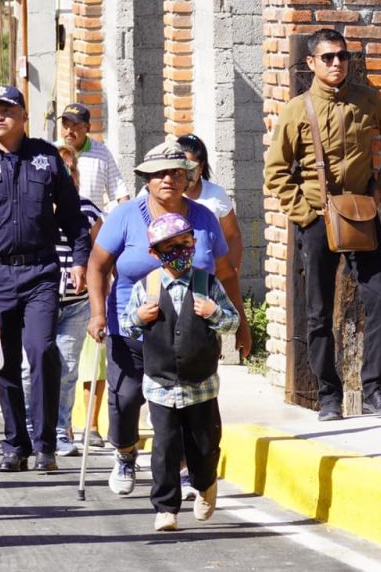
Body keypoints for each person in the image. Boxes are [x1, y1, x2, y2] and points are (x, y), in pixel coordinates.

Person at [265, 29, 381, 419]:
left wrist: (380, 191)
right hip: (316, 218)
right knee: (318, 310)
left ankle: (376, 390)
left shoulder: (366, 99)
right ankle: (329, 395)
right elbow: (277, 172)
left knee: (379, 298)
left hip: (362, 214)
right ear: (311, 63)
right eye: (327, 57)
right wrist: (306, 213)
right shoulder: (298, 108)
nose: (336, 63)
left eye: (341, 56)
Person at [87, 141, 236, 497]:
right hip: (132, 327)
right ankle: (124, 452)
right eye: (158, 174)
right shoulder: (125, 216)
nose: (168, 179)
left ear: (188, 178)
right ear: (146, 180)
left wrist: (240, 324)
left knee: (188, 404)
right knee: (126, 398)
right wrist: (96, 313)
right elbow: (97, 265)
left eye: (175, 172)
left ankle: (184, 467)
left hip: (190, 331)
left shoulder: (203, 218)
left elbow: (225, 273)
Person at [0, 85, 87, 473]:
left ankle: (46, 441)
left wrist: (80, 260)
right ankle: (16, 443)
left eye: (8, 110)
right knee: (3, 361)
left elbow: (72, 215)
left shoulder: (46, 159)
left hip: (40, 273)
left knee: (43, 349)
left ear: (23, 117)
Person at [120, 213, 238, 532]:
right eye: (168, 247)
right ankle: (166, 507)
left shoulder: (206, 284)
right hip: (161, 385)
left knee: (203, 444)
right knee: (165, 447)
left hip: (201, 385)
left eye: (183, 244)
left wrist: (214, 314)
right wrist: (141, 318)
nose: (178, 251)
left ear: (193, 244)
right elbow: (127, 325)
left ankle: (205, 483)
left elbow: (232, 321)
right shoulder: (148, 287)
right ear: (155, 253)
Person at [45, 142, 103, 457]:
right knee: (32, 368)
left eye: (70, 170)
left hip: (76, 304)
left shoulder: (89, 211)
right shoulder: (33, 208)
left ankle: (60, 431)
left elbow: (102, 258)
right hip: (38, 301)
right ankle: (32, 428)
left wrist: (101, 303)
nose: (65, 176)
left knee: (67, 368)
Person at [175, 133, 251, 359]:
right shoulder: (161, 194)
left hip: (204, 281)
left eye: (193, 166)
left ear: (202, 166)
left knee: (203, 338)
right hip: (170, 280)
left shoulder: (215, 196)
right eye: (183, 166)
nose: (188, 173)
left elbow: (233, 236)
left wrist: (230, 270)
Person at [57, 102, 130, 209]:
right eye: (65, 125)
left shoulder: (101, 153)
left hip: (93, 223)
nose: (69, 131)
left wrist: (128, 218)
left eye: (75, 125)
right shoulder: (52, 152)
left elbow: (120, 191)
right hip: (59, 224)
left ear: (87, 127)